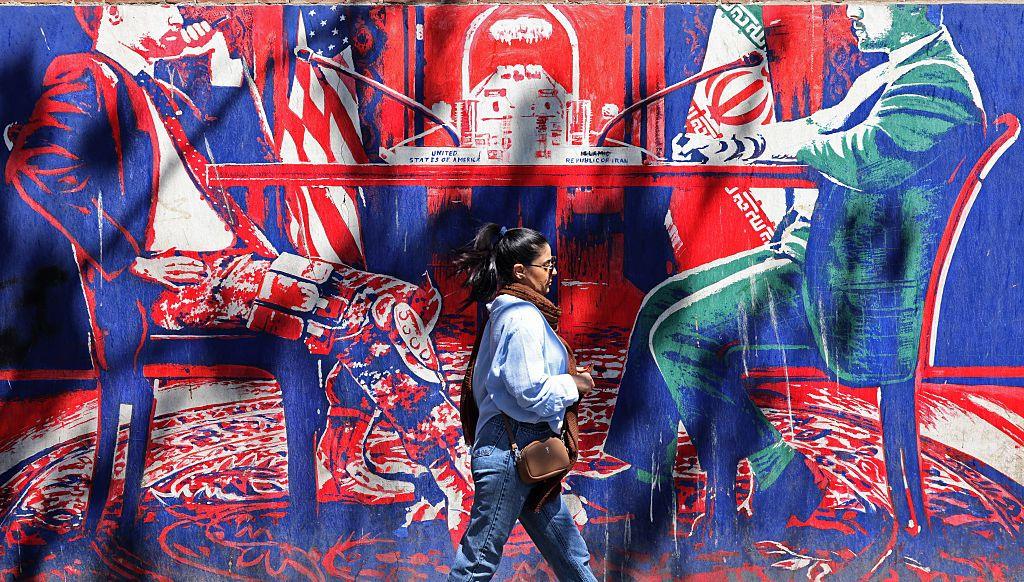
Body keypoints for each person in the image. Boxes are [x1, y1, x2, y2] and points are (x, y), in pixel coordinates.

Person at [5, 4, 470, 547]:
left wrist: (220, 61)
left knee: (397, 302)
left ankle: (369, 460)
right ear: (113, 13)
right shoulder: (86, 75)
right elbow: (33, 169)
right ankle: (457, 485)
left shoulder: (157, 89)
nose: (180, 13)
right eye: (164, 7)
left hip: (231, 271)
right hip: (175, 288)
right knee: (369, 310)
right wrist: (129, 259)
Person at [605, 2, 986, 554]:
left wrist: (796, 145)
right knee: (660, 303)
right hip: (821, 263)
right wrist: (744, 147)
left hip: (851, 298)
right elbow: (820, 127)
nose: (850, 12)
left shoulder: (939, 81)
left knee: (675, 331)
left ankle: (779, 468)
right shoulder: (893, 71)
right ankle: (644, 480)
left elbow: (866, 156)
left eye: (864, 3)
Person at [449, 224, 597, 581]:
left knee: (572, 557)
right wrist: (573, 384)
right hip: (511, 452)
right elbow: (529, 391)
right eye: (546, 265)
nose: (553, 273)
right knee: (478, 562)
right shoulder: (521, 317)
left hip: (526, 452)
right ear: (520, 271)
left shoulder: (512, 314)